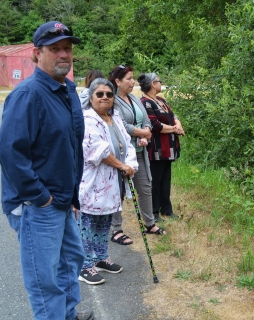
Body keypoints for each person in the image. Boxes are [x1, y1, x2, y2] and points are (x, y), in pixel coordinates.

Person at [0, 21, 94, 320]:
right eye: (55, 49)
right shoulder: (29, 94)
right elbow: (9, 152)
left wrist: (72, 197)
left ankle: (67, 315)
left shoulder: (65, 90)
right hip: (39, 205)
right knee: (44, 280)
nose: (64, 54)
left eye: (67, 48)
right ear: (36, 54)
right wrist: (39, 196)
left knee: (70, 262)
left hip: (63, 200)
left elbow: (69, 146)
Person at [78, 78, 138, 285]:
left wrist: (130, 164)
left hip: (113, 183)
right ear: (91, 97)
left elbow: (127, 144)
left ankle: (101, 258)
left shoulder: (115, 118)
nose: (105, 97)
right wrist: (122, 166)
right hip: (93, 182)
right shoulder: (87, 119)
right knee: (88, 224)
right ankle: (84, 265)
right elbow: (98, 150)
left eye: (109, 94)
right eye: (99, 94)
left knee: (105, 222)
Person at [108, 65, 166, 239]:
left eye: (133, 78)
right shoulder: (113, 101)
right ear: (118, 81)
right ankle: (116, 229)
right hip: (121, 154)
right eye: (129, 79)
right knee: (119, 190)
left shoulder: (134, 98)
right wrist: (144, 133)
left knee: (145, 186)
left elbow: (146, 119)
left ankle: (149, 224)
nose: (133, 82)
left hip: (139, 151)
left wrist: (146, 132)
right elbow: (120, 126)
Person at [138, 73, 184, 221]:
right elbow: (155, 125)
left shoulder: (160, 100)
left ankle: (166, 210)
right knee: (155, 181)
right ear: (153, 84)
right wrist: (175, 129)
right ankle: (153, 212)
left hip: (168, 149)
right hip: (157, 149)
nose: (161, 83)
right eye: (159, 81)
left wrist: (178, 124)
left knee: (165, 181)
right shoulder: (145, 102)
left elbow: (173, 115)